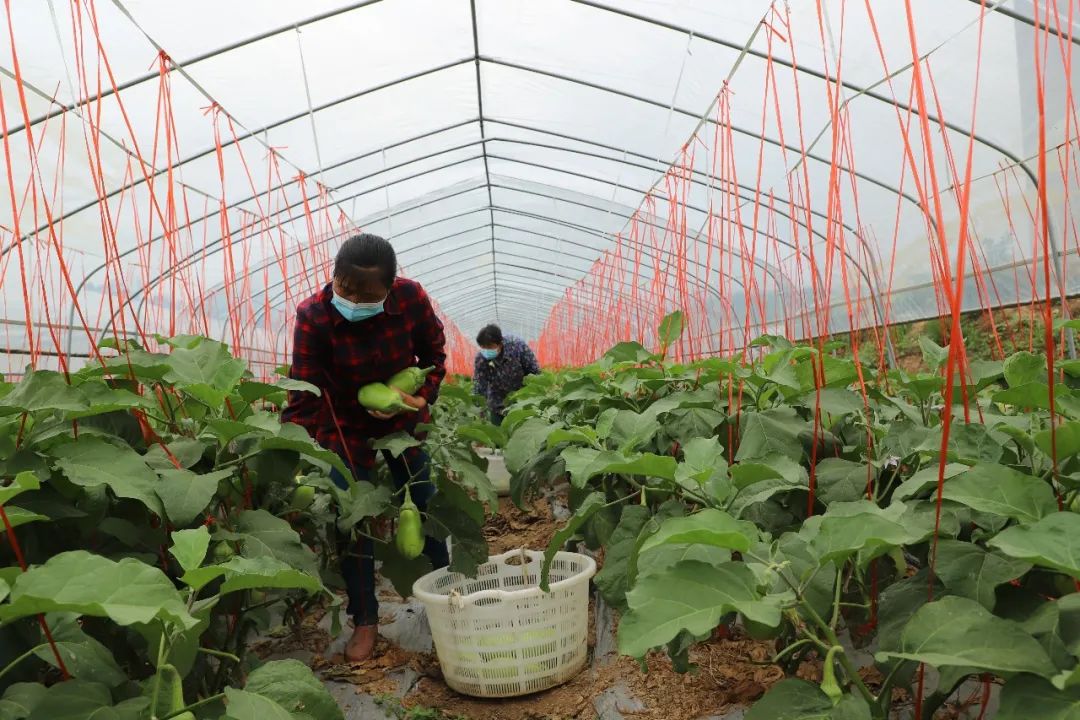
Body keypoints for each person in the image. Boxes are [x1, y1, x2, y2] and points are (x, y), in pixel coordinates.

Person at [282, 233, 449, 662]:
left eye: (368, 294)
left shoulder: (411, 299)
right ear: (334, 276)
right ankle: (366, 619)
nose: (354, 300)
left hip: (402, 417)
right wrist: (297, 455)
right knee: (352, 518)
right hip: (343, 426)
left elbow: (434, 354)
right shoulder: (314, 317)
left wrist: (419, 397)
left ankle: (447, 593)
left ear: (391, 288)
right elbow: (303, 391)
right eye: (346, 288)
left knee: (424, 502)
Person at [473, 324, 541, 425]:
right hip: (497, 404)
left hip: (521, 402)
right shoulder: (481, 359)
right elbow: (479, 386)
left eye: (489, 346)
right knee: (499, 436)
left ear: (500, 344)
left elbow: (534, 371)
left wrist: (535, 396)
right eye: (483, 347)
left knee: (520, 432)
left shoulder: (517, 346)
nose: (486, 350)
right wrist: (479, 414)